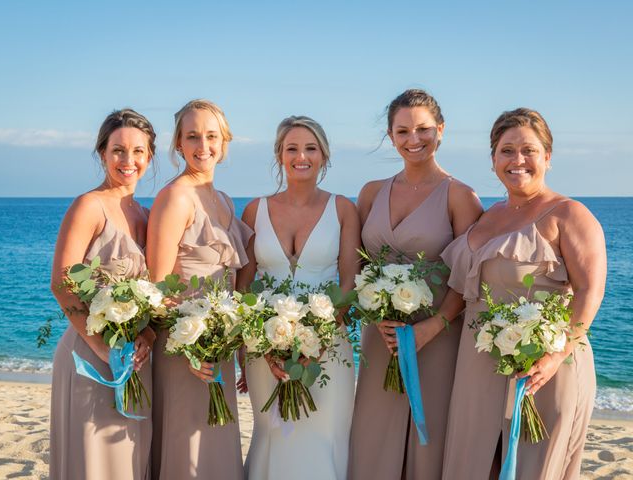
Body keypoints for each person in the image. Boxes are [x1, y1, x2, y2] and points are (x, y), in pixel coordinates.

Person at [440, 108, 606, 479]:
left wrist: (556, 354)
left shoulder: (569, 214)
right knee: (473, 463)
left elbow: (589, 291)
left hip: (542, 368)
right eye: (506, 151)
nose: (518, 160)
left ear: (547, 157)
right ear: (493, 159)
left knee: (532, 466)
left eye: (528, 150)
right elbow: (462, 289)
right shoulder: (487, 215)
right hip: (477, 366)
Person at [348, 89, 482, 480]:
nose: (414, 139)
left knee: (430, 438)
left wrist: (433, 326)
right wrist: (374, 316)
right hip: (381, 335)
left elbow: (468, 276)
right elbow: (357, 262)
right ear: (391, 136)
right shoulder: (371, 192)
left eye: (424, 129)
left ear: (441, 131)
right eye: (403, 130)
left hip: (437, 336)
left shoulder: (460, 196)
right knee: (374, 434)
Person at [237, 115, 361, 480]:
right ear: (279, 155)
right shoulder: (254, 210)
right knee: (271, 435)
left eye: (311, 148)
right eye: (292, 148)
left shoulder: (342, 209)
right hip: (265, 348)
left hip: (328, 349)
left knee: (324, 438)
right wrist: (256, 346)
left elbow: (349, 284)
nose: (301, 156)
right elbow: (244, 288)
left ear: (323, 156)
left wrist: (313, 345)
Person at [50, 108, 157, 480]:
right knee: (92, 463)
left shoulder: (145, 214)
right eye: (118, 151)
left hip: (134, 360)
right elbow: (63, 283)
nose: (128, 161)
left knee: (129, 459)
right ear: (102, 154)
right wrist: (102, 348)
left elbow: (152, 293)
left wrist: (145, 336)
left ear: (150, 156)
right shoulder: (89, 205)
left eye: (138, 151)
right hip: (91, 358)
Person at [147, 99, 250, 480]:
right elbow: (157, 284)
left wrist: (235, 346)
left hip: (217, 345)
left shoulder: (224, 201)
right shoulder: (175, 198)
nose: (202, 146)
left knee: (215, 444)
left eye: (211, 136)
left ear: (224, 143)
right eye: (192, 136)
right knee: (186, 448)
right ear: (178, 144)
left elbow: (233, 286)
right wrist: (190, 349)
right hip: (183, 349)